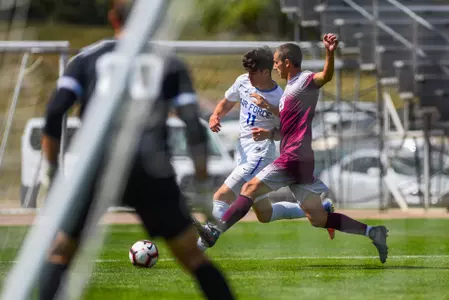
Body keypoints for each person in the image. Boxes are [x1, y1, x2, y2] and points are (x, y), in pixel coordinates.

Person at [38, 1, 235, 299]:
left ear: (112, 19)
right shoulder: (169, 63)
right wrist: (203, 184)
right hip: (151, 166)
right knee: (192, 258)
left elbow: (54, 113)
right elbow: (194, 127)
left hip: (97, 163)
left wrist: (51, 170)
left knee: (61, 252)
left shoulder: (87, 59)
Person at [197, 34, 389, 264]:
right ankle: (371, 231)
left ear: (287, 63)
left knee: (248, 188)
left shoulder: (303, 81)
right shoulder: (287, 92)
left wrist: (329, 52)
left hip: (293, 156)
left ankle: (214, 232)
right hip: (301, 159)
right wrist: (269, 132)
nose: (274, 66)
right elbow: (287, 127)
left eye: (277, 62)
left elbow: (325, 76)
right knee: (317, 218)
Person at [194, 46, 335, 250]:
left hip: (260, 155)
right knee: (264, 215)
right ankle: (323, 208)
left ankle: (201, 245)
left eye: (253, 73)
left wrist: (269, 132)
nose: (248, 77)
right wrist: (216, 115)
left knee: (221, 196)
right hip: (242, 152)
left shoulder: (280, 97)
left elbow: (287, 132)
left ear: (265, 72)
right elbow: (227, 101)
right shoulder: (243, 81)